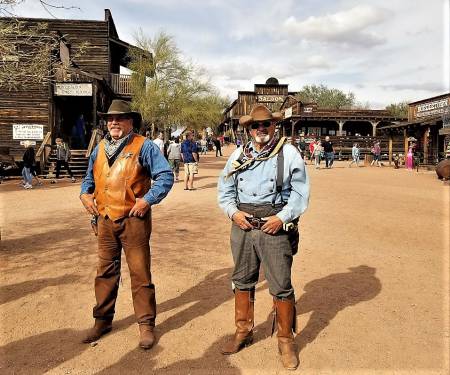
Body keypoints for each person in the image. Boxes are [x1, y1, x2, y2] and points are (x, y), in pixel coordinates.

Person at [218, 104, 309, 370]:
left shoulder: (289, 154)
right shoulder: (237, 155)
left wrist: (282, 218)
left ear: (274, 126)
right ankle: (243, 332)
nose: (261, 129)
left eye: (266, 125)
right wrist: (233, 214)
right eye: (255, 125)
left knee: (281, 283)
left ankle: (285, 340)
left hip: (274, 225)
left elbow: (300, 192)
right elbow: (225, 192)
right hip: (243, 225)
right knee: (242, 279)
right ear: (248, 129)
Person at [79, 99, 174, 350]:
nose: (114, 122)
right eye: (110, 119)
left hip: (134, 220)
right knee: (105, 272)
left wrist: (148, 200)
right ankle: (102, 321)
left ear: (130, 121)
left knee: (140, 273)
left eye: (119, 118)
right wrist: (84, 194)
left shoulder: (145, 146)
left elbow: (165, 175)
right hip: (105, 220)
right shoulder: (100, 148)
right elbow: (89, 179)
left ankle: (145, 324)